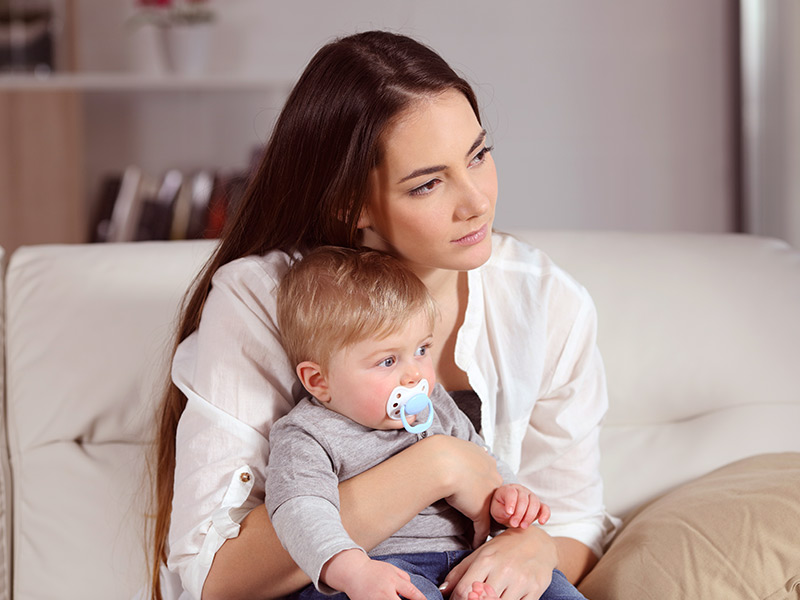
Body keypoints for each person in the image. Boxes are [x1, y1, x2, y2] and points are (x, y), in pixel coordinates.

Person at [149, 29, 618, 600]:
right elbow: (213, 578)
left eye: (479, 155)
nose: (476, 202)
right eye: (427, 184)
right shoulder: (262, 300)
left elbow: (574, 519)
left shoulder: (546, 303)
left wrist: (533, 546)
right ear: (353, 205)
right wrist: (439, 465)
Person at [268, 246, 584, 600]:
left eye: (421, 349)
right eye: (388, 361)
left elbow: (485, 465)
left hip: (466, 561)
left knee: (555, 591)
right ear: (319, 381)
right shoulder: (307, 434)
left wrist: (509, 500)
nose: (414, 374)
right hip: (376, 568)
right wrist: (351, 569)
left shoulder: (438, 407)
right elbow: (300, 510)